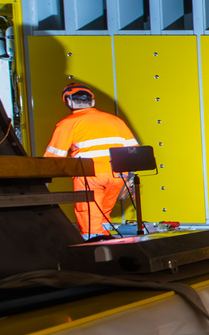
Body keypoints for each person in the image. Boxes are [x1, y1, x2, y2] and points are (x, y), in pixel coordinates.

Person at [43, 83, 138, 238]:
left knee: (88, 213)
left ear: (69, 102)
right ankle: (107, 241)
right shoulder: (115, 120)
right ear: (92, 101)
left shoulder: (67, 123)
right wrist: (129, 177)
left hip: (90, 175)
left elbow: (54, 158)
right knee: (104, 213)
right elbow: (134, 151)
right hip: (118, 176)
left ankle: (94, 247)